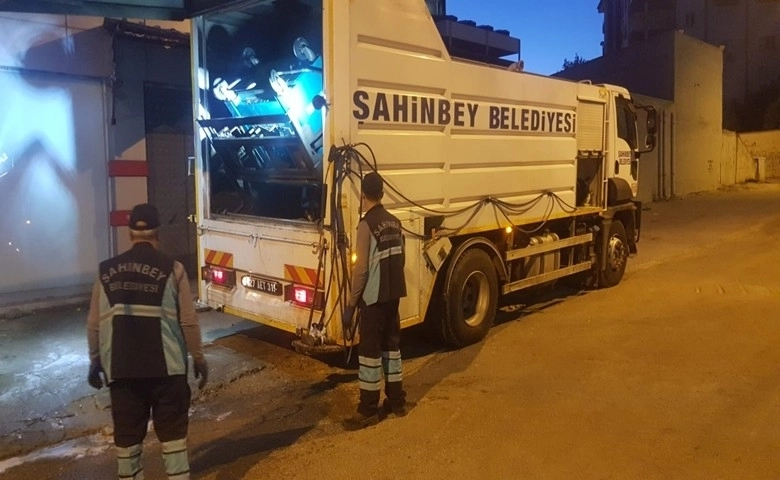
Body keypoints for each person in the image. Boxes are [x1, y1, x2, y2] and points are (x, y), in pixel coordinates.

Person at [86, 203, 207, 480]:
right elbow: (188, 321)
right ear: (158, 232)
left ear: (130, 233)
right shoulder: (173, 269)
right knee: (174, 440)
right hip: (168, 371)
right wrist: (198, 357)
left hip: (123, 371)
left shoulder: (106, 271)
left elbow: (94, 323)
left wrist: (95, 360)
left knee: (128, 444)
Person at [342, 171, 411, 430]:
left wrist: (351, 305)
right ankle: (397, 401)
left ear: (363, 195)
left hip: (372, 299)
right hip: (393, 297)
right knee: (392, 349)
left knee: (369, 354)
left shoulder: (366, 225)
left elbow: (361, 270)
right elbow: (400, 259)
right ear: (381, 193)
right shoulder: (395, 222)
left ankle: (368, 409)